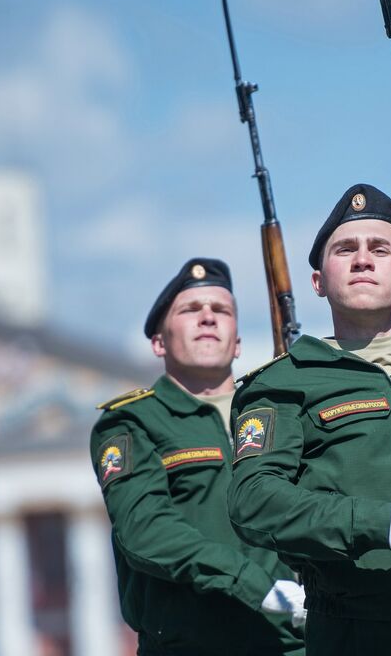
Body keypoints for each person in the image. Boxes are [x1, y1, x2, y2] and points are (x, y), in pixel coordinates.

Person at [228, 184, 391, 655]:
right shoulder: (285, 382)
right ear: (318, 281)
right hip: (360, 632)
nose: (363, 260)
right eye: (345, 249)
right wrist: (378, 522)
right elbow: (253, 500)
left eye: (380, 248)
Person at [90, 258, 305, 655]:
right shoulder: (131, 422)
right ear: (158, 341)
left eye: (221, 311)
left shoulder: (280, 411)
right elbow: (145, 529)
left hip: (292, 643)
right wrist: (252, 582)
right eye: (191, 310)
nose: (208, 318)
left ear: (237, 340)